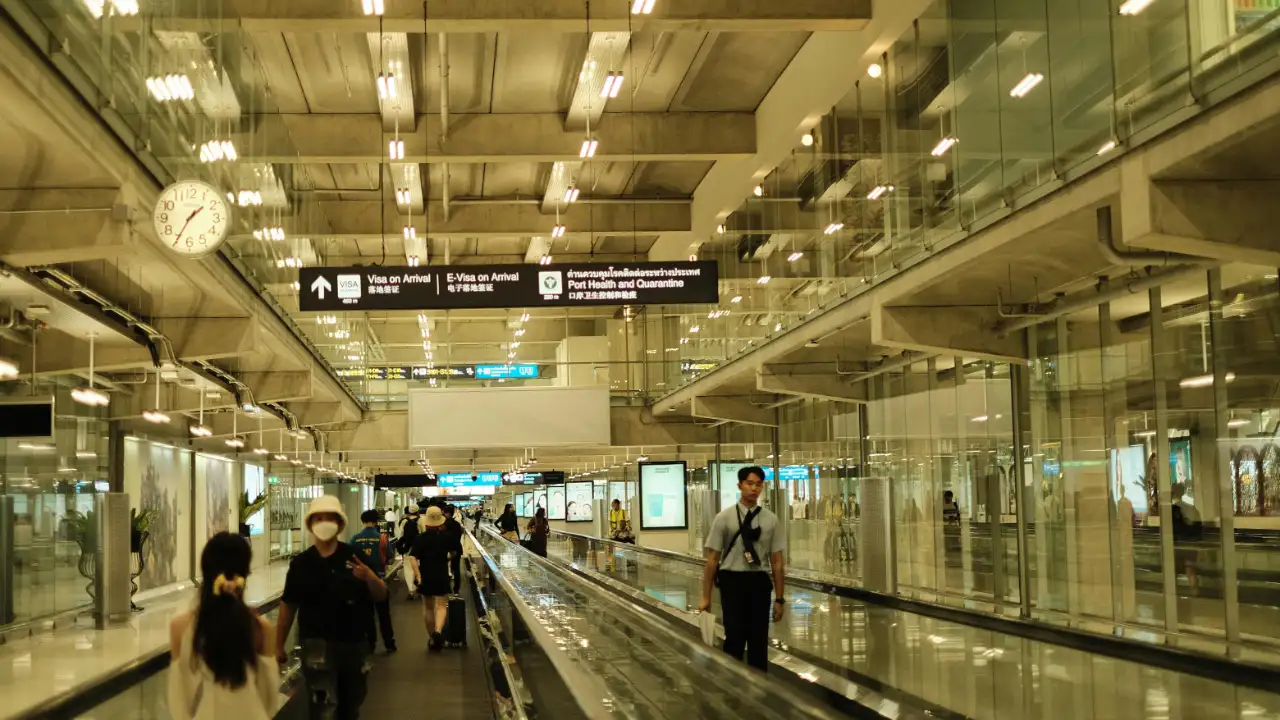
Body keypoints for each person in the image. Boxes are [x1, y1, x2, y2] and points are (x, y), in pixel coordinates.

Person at [275, 496, 388, 720]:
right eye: (318, 518)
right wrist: (278, 645)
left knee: (351, 704)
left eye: (329, 518)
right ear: (310, 524)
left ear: (339, 523)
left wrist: (369, 577)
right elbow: (288, 606)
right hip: (315, 644)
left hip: (355, 643)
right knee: (322, 707)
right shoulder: (301, 564)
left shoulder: (354, 556)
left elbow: (381, 594)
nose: (324, 523)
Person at [168, 532, 277, 719]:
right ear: (244, 574)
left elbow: (180, 700)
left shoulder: (181, 627)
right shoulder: (260, 628)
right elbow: (269, 698)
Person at [698, 466, 786, 672]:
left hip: (758, 583)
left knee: (758, 639)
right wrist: (706, 597)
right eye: (749, 483)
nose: (753, 489)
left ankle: (759, 688)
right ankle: (733, 685)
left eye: (758, 484)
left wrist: (780, 598)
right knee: (734, 637)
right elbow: (712, 560)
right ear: (740, 485)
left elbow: (777, 562)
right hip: (732, 581)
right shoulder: (724, 518)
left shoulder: (771, 520)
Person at [409, 506, 461, 652]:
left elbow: (412, 557)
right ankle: (438, 631)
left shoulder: (421, 538)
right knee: (441, 605)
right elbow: (455, 552)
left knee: (428, 607)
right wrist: (447, 559)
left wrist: (418, 574)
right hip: (442, 573)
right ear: (440, 522)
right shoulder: (447, 537)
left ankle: (432, 637)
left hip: (426, 574)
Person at [350, 510, 396, 654]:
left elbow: (349, 557)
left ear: (362, 521)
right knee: (384, 614)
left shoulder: (355, 539)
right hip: (379, 580)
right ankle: (389, 643)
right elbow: (390, 557)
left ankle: (370, 644)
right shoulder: (382, 538)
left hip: (361, 581)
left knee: (367, 614)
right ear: (377, 522)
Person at [1171, 482, 1203, 593]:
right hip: (1191, 544)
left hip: (1178, 545)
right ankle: (1195, 592)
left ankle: (1174, 596)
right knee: (1190, 570)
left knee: (1173, 571)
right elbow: (1199, 526)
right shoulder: (1192, 508)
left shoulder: (1172, 510)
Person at [396, 504, 421, 599]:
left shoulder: (404, 522)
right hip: (419, 550)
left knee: (408, 570)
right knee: (418, 568)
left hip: (407, 549)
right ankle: (419, 587)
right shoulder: (421, 520)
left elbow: (400, 536)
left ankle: (411, 591)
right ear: (417, 511)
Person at [442, 504, 465, 594]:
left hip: (446, 549)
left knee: (444, 569)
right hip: (456, 548)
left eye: (444, 513)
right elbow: (458, 536)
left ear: (447, 513)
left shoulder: (443, 525)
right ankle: (456, 589)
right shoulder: (457, 524)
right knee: (456, 569)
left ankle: (447, 588)